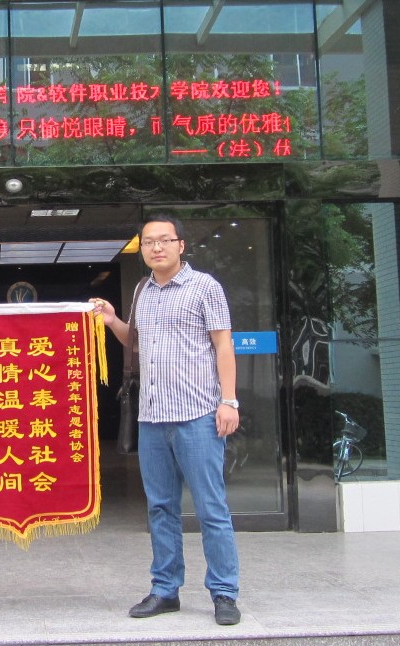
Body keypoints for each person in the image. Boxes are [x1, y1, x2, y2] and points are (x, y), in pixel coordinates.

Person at [91, 214, 241, 626]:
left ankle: (224, 592)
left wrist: (229, 401)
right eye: (148, 242)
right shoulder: (142, 291)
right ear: (141, 249)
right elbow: (136, 344)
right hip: (152, 417)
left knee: (211, 508)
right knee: (160, 508)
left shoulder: (205, 287)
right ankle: (165, 588)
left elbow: (223, 346)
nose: (156, 247)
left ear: (180, 245)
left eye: (164, 240)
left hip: (198, 415)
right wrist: (113, 321)